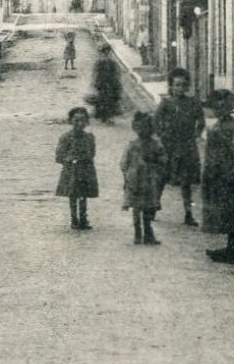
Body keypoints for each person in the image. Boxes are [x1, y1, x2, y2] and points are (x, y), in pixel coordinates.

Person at [202, 88, 234, 264]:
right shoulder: (215, 128)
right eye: (215, 107)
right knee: (226, 212)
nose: (218, 110)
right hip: (219, 176)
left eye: (222, 106)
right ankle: (229, 248)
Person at [154, 67, 207, 226]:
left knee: (186, 181)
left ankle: (188, 213)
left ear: (187, 87)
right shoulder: (166, 103)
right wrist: (162, 135)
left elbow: (201, 122)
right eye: (176, 85)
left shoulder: (193, 103)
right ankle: (154, 205)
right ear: (171, 86)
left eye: (183, 85)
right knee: (162, 177)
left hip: (186, 146)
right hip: (169, 145)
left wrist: (196, 135)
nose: (180, 89)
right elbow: (156, 121)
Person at [121, 111, 166, 245]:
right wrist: (126, 178)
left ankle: (148, 232)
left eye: (146, 127)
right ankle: (137, 232)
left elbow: (163, 160)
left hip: (150, 179)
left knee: (147, 207)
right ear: (135, 128)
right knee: (136, 207)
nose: (143, 131)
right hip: (135, 180)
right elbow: (124, 163)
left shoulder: (156, 145)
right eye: (139, 128)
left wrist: (154, 162)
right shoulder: (132, 145)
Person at [54, 106, 99, 230]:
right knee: (73, 195)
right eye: (76, 120)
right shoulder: (66, 137)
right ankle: (74, 219)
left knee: (84, 194)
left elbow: (92, 152)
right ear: (70, 121)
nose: (80, 123)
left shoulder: (89, 137)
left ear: (87, 122)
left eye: (83, 120)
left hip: (86, 169)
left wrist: (86, 159)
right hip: (72, 171)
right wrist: (69, 160)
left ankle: (83, 218)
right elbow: (59, 156)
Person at [89, 43, 123, 122]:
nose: (106, 53)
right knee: (103, 99)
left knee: (110, 100)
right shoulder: (100, 61)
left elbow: (117, 72)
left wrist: (117, 82)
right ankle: (103, 115)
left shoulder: (111, 62)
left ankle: (108, 116)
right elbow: (95, 72)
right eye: (105, 51)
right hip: (102, 83)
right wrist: (94, 81)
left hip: (110, 83)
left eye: (107, 51)